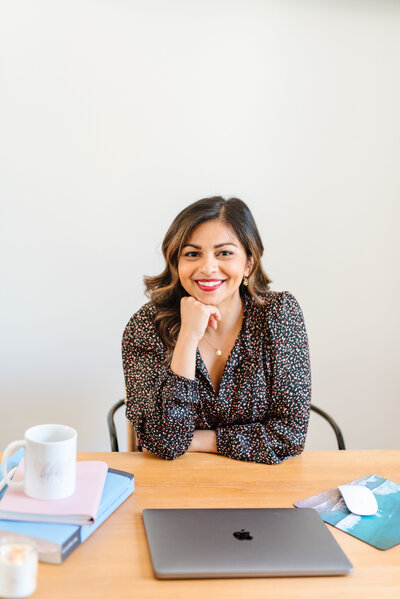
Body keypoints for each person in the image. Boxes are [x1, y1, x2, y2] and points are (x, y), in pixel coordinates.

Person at [122, 197, 311, 464]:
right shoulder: (146, 326)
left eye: (224, 253)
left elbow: (289, 436)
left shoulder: (279, 314)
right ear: (176, 262)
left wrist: (200, 439)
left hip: (263, 483)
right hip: (174, 485)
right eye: (192, 253)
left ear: (249, 263)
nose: (208, 267)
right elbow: (165, 441)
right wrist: (187, 338)